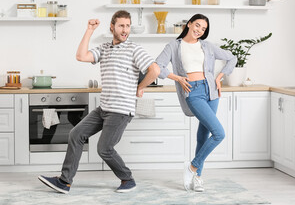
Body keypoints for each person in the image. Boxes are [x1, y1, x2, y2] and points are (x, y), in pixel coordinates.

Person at [38, 10, 160, 194]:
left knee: (104, 148)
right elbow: (81, 56)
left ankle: (128, 179)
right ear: (112, 27)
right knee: (75, 134)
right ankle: (64, 181)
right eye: (121, 26)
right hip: (104, 108)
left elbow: (155, 70)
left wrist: (139, 87)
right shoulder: (104, 48)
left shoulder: (134, 49)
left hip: (121, 110)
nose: (125, 30)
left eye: (127, 26)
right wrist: (89, 30)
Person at [156, 14, 237, 192]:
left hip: (211, 91)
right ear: (189, 24)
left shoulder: (207, 46)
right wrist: (176, 78)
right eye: (197, 25)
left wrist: (220, 77)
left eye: (203, 29)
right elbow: (157, 66)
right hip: (193, 92)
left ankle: (197, 177)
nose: (199, 30)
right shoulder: (173, 46)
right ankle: (192, 167)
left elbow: (232, 58)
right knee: (219, 133)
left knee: (204, 134)